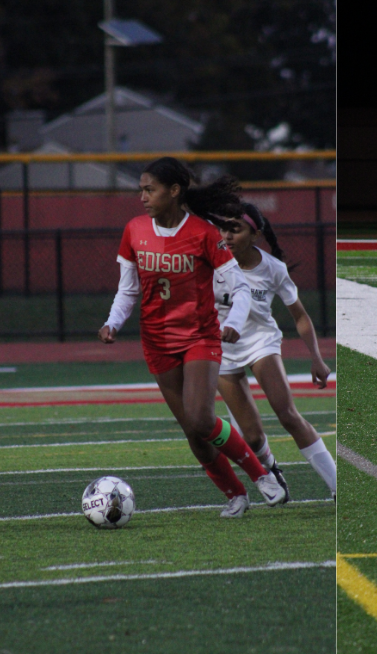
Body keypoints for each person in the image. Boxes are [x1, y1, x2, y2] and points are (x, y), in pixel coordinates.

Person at [98, 157, 286, 518]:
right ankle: (235, 495)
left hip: (200, 337)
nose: (142, 197)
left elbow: (242, 288)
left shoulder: (203, 233)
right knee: (193, 433)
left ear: (174, 191)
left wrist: (234, 319)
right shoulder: (134, 230)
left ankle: (262, 476)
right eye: (141, 189)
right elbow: (128, 291)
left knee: (201, 418)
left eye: (149, 189)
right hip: (156, 342)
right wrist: (113, 322)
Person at [208, 201, 336, 501]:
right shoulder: (210, 263)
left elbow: (300, 316)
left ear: (255, 235)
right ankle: (273, 471)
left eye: (235, 229)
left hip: (260, 343)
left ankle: (335, 483)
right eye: (223, 228)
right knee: (251, 437)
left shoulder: (273, 268)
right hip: (223, 350)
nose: (226, 235)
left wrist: (316, 357)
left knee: (288, 415)